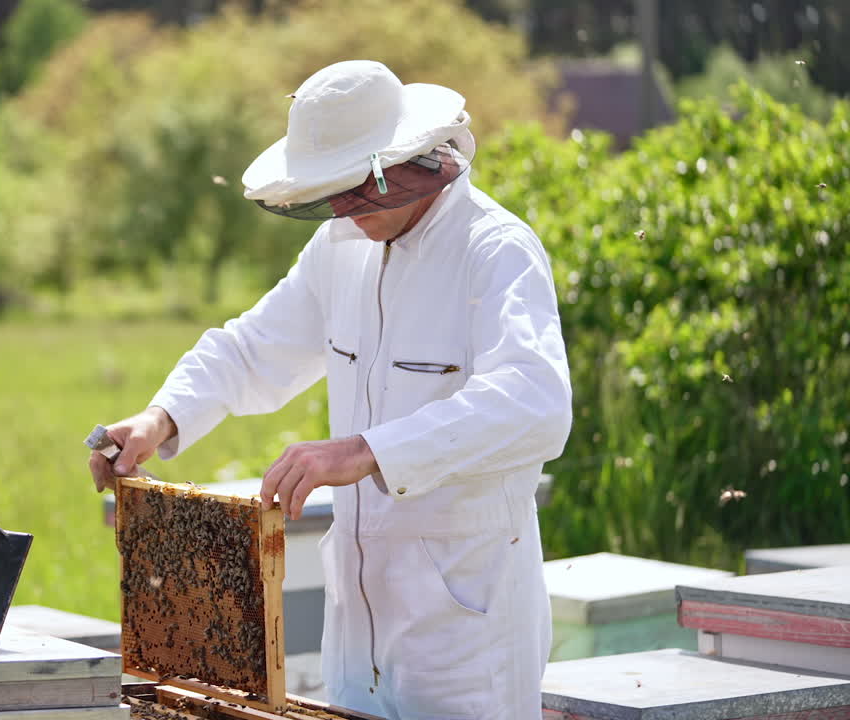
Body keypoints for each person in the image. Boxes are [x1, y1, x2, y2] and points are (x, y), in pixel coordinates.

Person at [88, 60, 571, 719]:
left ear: (408, 160)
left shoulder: (495, 250)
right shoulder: (338, 247)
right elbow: (252, 348)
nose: (341, 207)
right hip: (356, 633)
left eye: (352, 187)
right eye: (329, 190)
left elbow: (536, 404)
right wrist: (160, 418)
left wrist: (365, 451)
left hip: (465, 638)